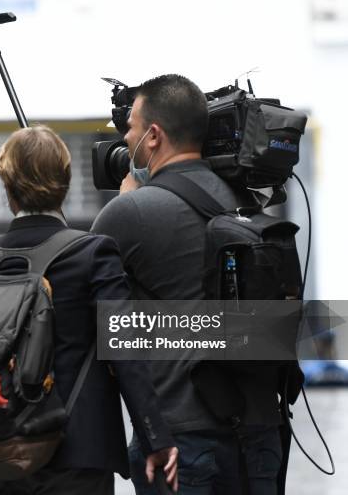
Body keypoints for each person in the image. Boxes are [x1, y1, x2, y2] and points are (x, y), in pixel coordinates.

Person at [92, 74, 286, 494]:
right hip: (261, 434)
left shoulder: (130, 213)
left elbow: (89, 314)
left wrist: (126, 201)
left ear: (154, 135)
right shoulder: (247, 202)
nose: (125, 138)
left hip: (181, 443)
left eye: (130, 127)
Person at [0, 125, 178, 495]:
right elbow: (125, 351)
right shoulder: (93, 255)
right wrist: (155, 437)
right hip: (78, 453)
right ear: (65, 182)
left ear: (7, 188)